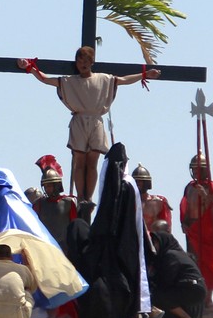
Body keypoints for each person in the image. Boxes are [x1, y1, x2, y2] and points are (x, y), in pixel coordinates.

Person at [17, 48, 159, 208]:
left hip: (96, 120)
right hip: (79, 120)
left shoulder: (104, 79)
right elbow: (45, 79)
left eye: (86, 61)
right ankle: (81, 196)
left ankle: (88, 198)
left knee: (92, 161)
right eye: (80, 61)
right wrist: (30, 67)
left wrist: (145, 74)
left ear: (91, 62)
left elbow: (124, 80)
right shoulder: (69, 81)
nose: (82, 64)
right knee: (79, 161)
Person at [67, 143, 160, 318]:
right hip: (129, 242)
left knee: (121, 283)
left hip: (117, 243)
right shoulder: (129, 184)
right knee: (129, 280)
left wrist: (97, 235)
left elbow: (109, 215)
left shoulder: (120, 185)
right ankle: (143, 315)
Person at [180, 153, 213, 301]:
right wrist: (184, 222)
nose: (197, 172)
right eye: (195, 169)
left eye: (199, 169)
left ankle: (208, 298)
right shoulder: (189, 187)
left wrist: (205, 195)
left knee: (209, 265)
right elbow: (186, 206)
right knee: (194, 263)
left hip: (207, 231)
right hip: (192, 230)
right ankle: (198, 298)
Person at [146, 226, 206, 318]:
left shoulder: (171, 256)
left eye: (155, 242)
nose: (153, 246)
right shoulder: (174, 254)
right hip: (190, 291)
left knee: (157, 295)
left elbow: (165, 282)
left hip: (191, 290)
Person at [33, 155, 79, 251]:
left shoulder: (69, 202)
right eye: (45, 186)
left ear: (57, 185)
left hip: (64, 247)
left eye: (49, 185)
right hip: (45, 245)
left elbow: (74, 226)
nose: (47, 189)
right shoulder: (39, 204)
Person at [132, 164, 173, 232]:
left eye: (140, 181)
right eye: (136, 181)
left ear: (146, 183)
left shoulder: (159, 202)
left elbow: (166, 227)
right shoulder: (127, 202)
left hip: (153, 240)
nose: (138, 184)